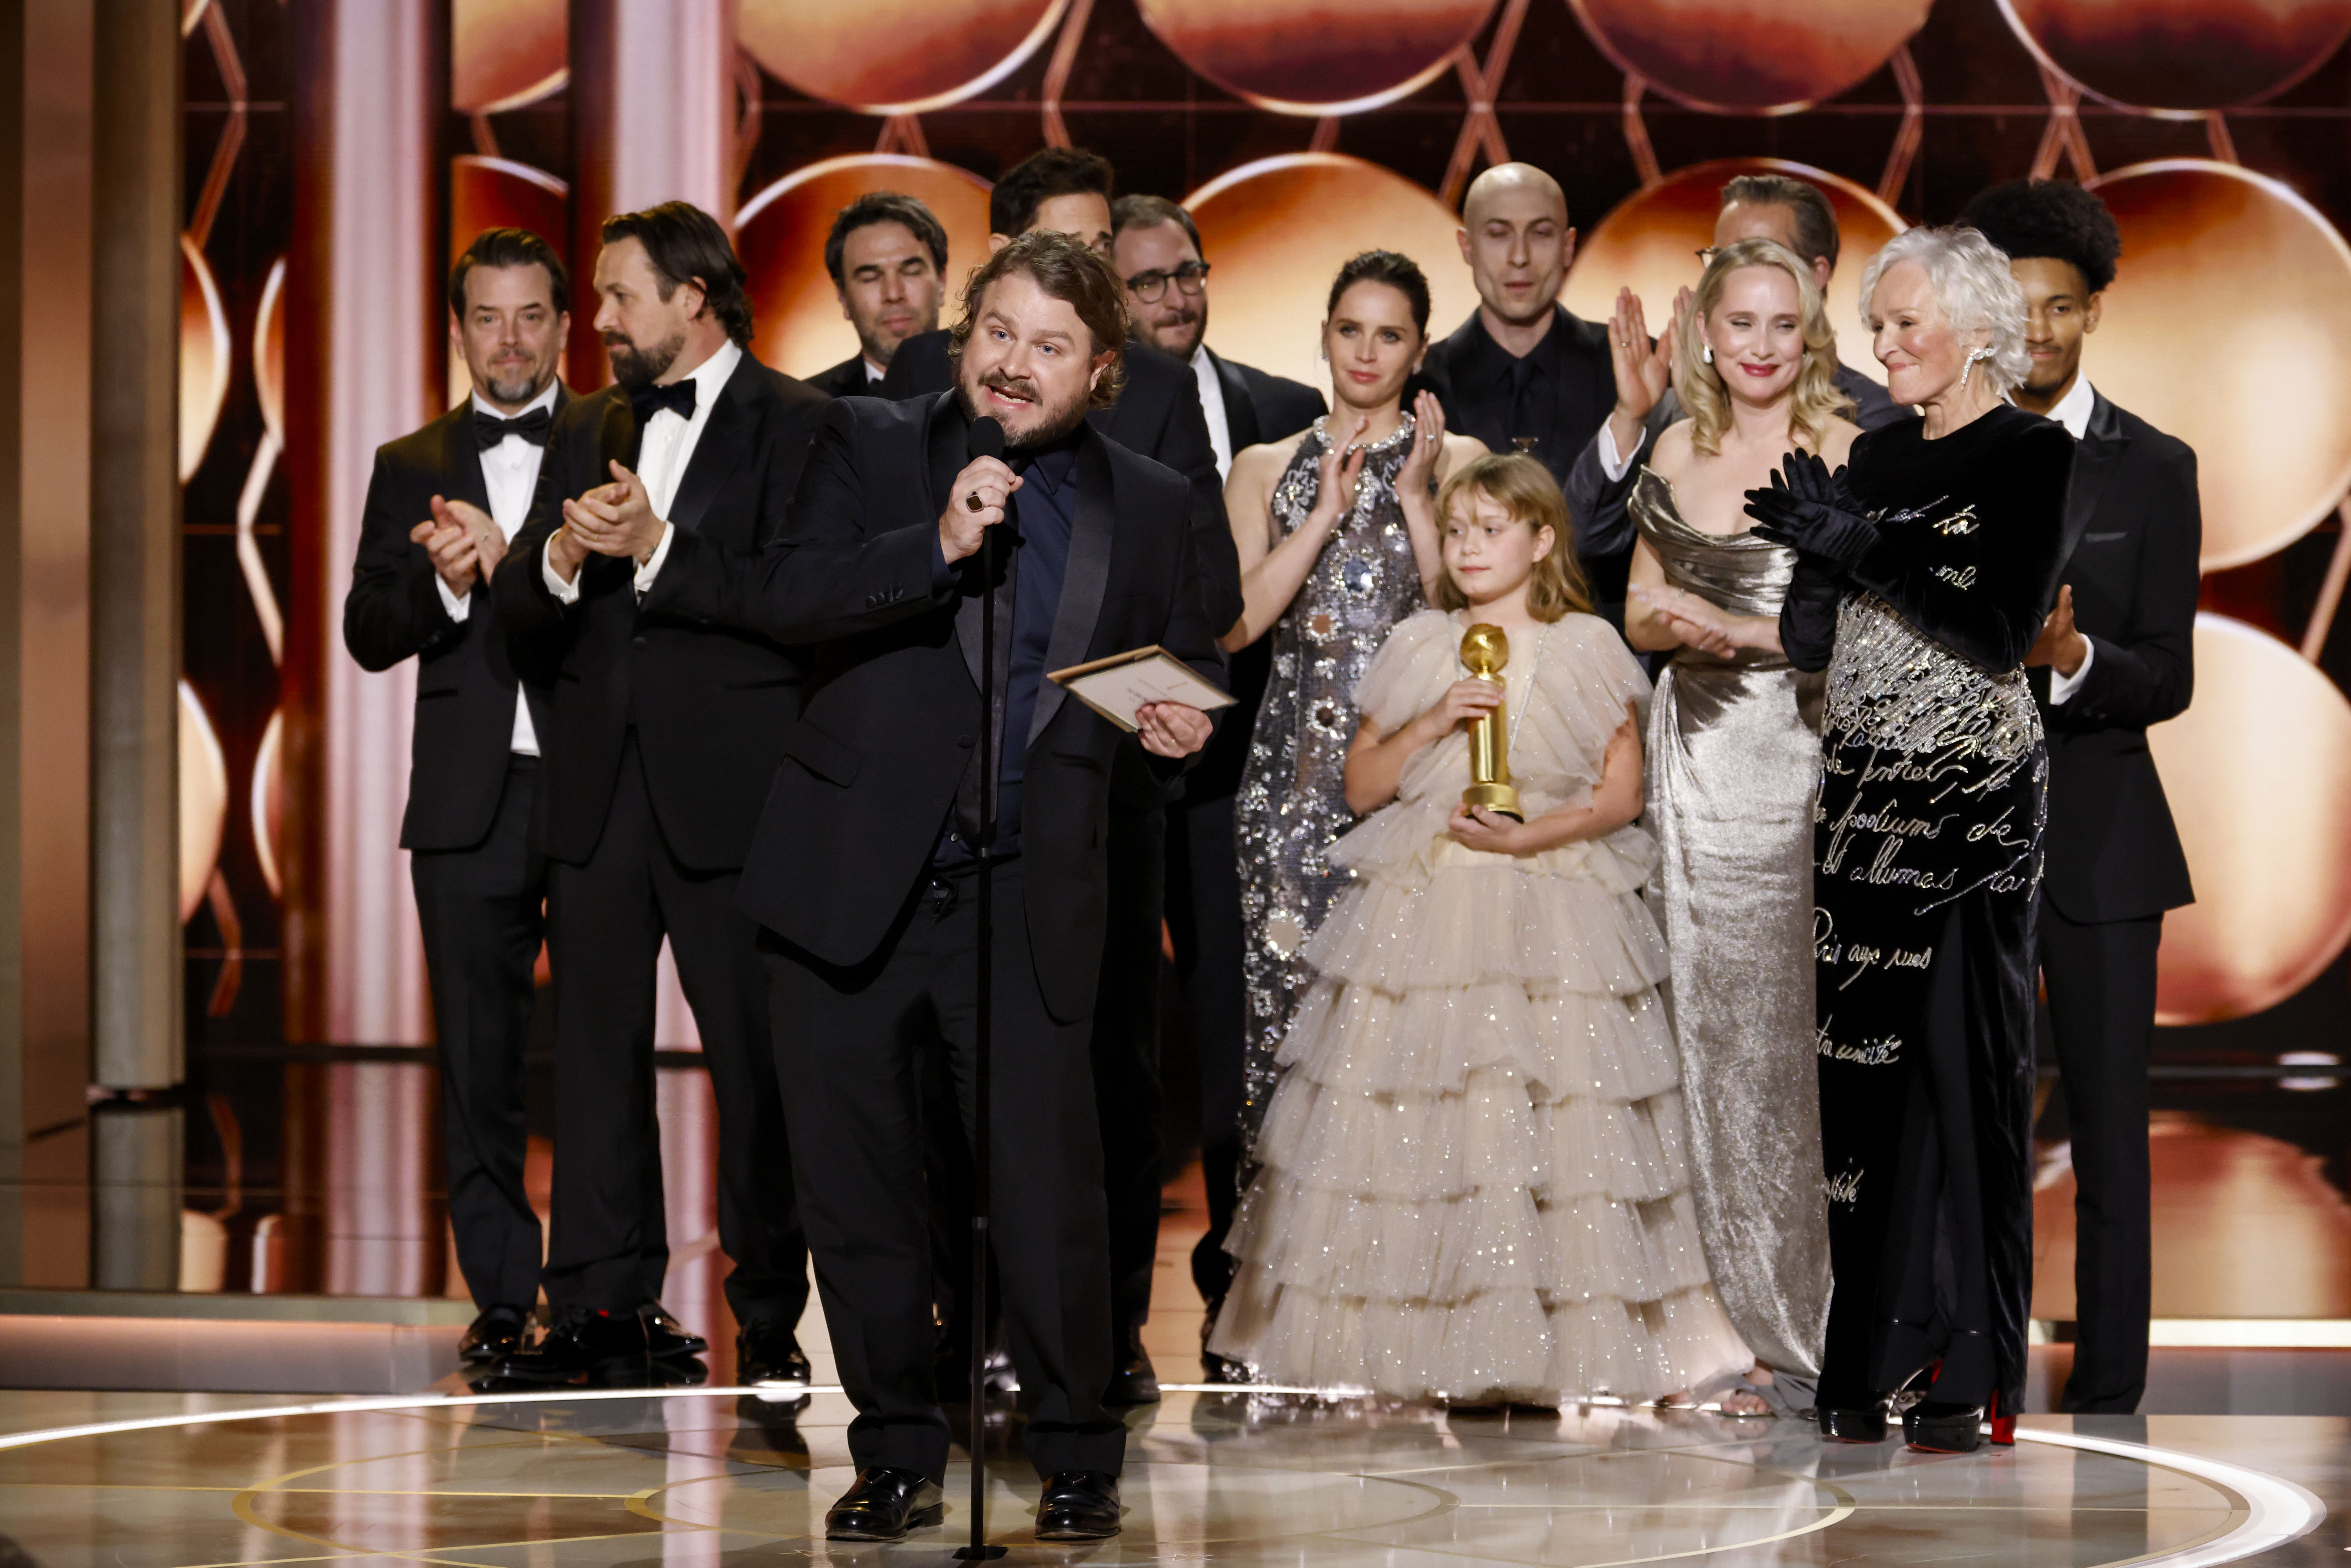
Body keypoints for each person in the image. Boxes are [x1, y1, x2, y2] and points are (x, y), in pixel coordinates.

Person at [637, 230, 1220, 1543]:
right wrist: (935, 541)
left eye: (1049, 346)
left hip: (1031, 891)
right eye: (998, 333)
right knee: (862, 1188)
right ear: (966, 338)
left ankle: (1078, 1446)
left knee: (1048, 1190)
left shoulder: (1153, 500)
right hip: (854, 881)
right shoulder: (864, 440)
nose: (1014, 365)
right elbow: (784, 597)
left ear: (1102, 370)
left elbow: (1177, 654)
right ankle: (893, 1445)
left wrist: (1174, 723)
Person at [1210, 453, 1751, 1405]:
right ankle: (1407, 1349)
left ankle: (1564, 1347)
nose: (1467, 548)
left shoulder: (1582, 644)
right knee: (1416, 1113)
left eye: (1489, 530)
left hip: (1552, 893)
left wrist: (1530, 834)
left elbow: (1620, 791)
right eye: (1455, 530)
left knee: (1557, 1116)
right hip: (1427, 896)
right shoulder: (1422, 644)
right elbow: (1363, 785)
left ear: (1540, 540)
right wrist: (1430, 724)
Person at [881, 147, 1230, 1405]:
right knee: (934, 1101)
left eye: (1099, 261)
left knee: (1096, 1091)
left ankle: (1097, 1336)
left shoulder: (1154, 411)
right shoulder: (918, 411)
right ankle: (959, 1324)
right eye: (1047, 263)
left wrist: (1157, 706)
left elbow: (1199, 614)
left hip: (1088, 811)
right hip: (920, 838)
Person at [487, 201, 830, 1389]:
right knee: (590, 1054)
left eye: (617, 294)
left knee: (755, 1061)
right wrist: (564, 556)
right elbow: (520, 617)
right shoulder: (587, 427)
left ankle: (773, 1307)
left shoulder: (800, 422)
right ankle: (598, 1302)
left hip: (731, 793)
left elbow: (799, 601)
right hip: (597, 789)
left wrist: (660, 542)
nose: (598, 317)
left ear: (694, 296)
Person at [1754, 226, 2075, 1453]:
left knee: (1959, 1069)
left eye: (1902, 324)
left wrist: (1868, 549)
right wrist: (1812, 571)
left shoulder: (2032, 453)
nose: (1880, 346)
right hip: (1861, 797)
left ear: (1976, 326)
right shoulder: (1876, 451)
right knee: (1861, 1086)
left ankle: (1967, 1358)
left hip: (1969, 802)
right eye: (1877, 325)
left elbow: (1997, 629)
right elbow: (1809, 645)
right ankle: (1866, 1347)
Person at [1960, 178, 2199, 1416]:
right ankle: (1973, 1380)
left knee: (2109, 1138)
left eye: (2060, 308)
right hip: (1959, 843)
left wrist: (2074, 664)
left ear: (2093, 312)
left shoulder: (2155, 466)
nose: (2039, 332)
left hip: (2105, 847)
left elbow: (2169, 670)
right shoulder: (1944, 450)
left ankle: (2109, 1400)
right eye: (2018, 309)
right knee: (1971, 1138)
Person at [1621, 237, 1860, 1417]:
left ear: (1809, 333)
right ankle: (1717, 1324)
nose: (1760, 345)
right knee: (1693, 1031)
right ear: (1703, 333)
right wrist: (1686, 633)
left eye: (1783, 323)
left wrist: (1747, 636)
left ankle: (1810, 1314)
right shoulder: (1672, 444)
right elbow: (1637, 607)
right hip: (1690, 752)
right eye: (1740, 323)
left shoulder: (1846, 450)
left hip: (1799, 757)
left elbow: (1864, 624)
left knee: (1788, 1041)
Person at [341, 227, 571, 1370]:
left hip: (595, 792)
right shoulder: (408, 460)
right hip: (466, 805)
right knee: (479, 1060)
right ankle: (498, 1289)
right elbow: (366, 632)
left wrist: (522, 554)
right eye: (490, 316)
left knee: (601, 1056)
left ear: (566, 325)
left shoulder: (610, 439)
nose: (512, 337)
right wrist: (441, 580)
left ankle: (596, 1293)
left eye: (532, 314)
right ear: (459, 329)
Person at [1223, 251, 1487, 1214]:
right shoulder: (1265, 466)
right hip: (1288, 788)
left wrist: (1414, 500)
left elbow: (1474, 619)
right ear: (1323, 335)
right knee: (1283, 1024)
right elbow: (1237, 624)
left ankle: (1397, 1287)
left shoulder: (1457, 463)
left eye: (1389, 335)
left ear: (1420, 349)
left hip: (1416, 780)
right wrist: (1324, 511)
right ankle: (1280, 1289)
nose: (1366, 352)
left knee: (1407, 1028)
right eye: (1349, 330)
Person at [1108, 190, 1326, 1326]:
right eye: (1146, 281)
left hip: (1253, 768)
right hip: (1122, 758)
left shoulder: (1285, 408)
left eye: (1186, 271)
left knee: (1248, 1020)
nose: (1175, 296)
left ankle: (1246, 1272)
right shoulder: (1089, 413)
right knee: (1124, 1030)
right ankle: (1119, 1296)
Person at [1577, 173, 1905, 561]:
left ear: (1815, 275)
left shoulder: (1872, 418)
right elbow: (1585, 546)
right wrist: (1631, 417)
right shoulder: (1666, 414)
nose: (1738, 271)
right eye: (1721, 257)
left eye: (1759, 253)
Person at [1416, 163, 1624, 622]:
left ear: (1569, 246)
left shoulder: (1630, 373)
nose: (1519, 257)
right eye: (1498, 234)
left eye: (1541, 234)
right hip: (1459, 659)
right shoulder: (1418, 385)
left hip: (1607, 658)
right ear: (1466, 246)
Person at [809, 191, 947, 397]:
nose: (893, 293)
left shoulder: (994, 390)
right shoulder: (805, 407)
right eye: (870, 278)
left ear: (941, 281)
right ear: (843, 297)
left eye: (911, 272)